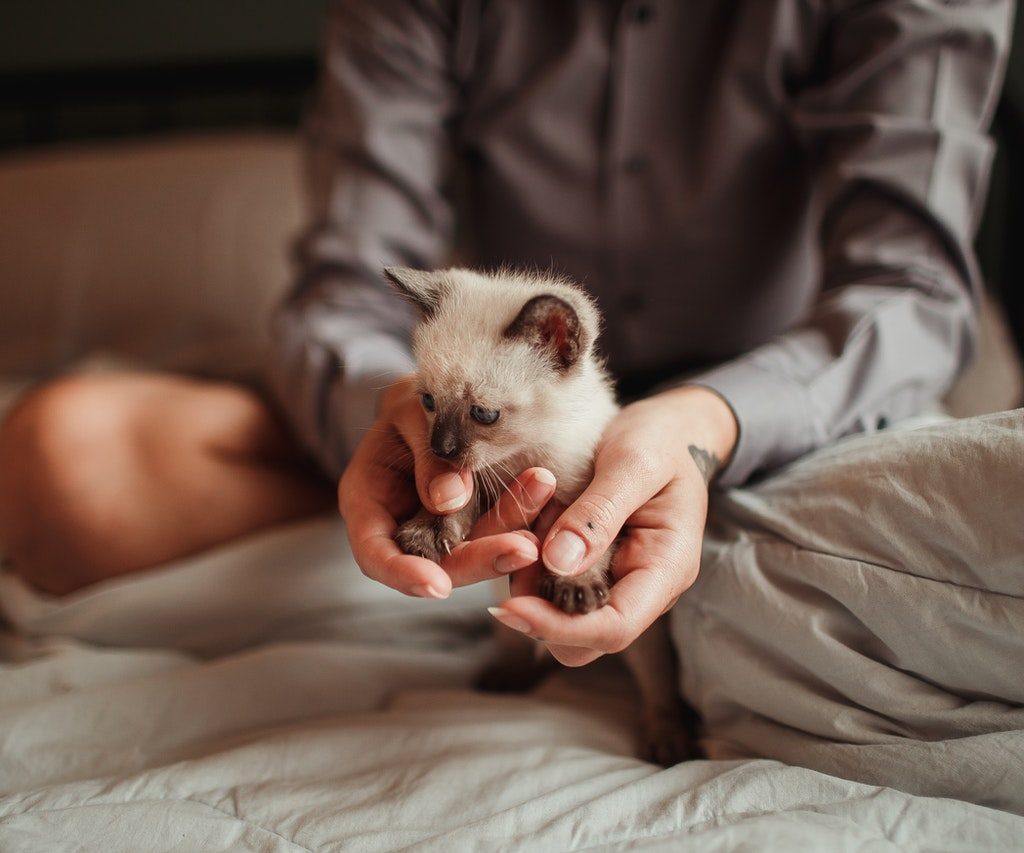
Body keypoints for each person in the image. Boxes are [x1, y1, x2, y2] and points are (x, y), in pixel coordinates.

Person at [0, 1, 1011, 668]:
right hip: (479, 439)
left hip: (754, 434)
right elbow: (348, 293)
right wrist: (404, 430)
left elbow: (909, 294)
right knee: (63, 456)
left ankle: (555, 579)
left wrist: (706, 425)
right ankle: (504, 567)